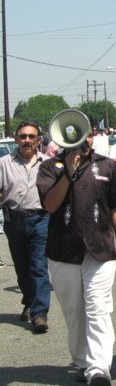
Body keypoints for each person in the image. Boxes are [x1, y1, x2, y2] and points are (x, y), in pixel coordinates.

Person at [37, 126, 116, 386]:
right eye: (77, 135)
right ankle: (82, 362)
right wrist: (68, 172)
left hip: (100, 249)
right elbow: (50, 205)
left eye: (87, 134)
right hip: (63, 250)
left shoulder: (107, 166)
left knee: (98, 307)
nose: (83, 140)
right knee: (74, 311)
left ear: (93, 137)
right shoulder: (49, 168)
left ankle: (99, 368)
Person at [0, 121, 51, 332]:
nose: (27, 140)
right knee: (22, 268)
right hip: (14, 220)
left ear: (39, 139)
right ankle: (29, 302)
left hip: (41, 219)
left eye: (31, 136)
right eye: (23, 136)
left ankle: (39, 314)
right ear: (16, 138)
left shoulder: (48, 163)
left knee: (39, 265)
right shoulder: (4, 163)